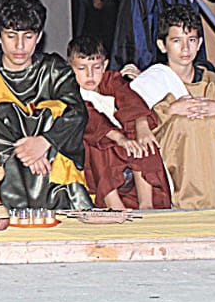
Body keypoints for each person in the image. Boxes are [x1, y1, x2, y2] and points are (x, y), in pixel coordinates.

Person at [0, 0, 91, 210]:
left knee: (55, 112)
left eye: (28, 36)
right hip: (3, 163)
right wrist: (29, 151)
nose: (20, 46)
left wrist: (45, 141)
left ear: (38, 37)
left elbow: (77, 113)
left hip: (49, 159)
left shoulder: (54, 70)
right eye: (11, 36)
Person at [129, 4, 215, 210]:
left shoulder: (209, 80)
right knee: (187, 124)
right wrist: (170, 110)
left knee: (206, 123)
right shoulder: (152, 80)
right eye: (176, 41)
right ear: (162, 45)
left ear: (199, 44)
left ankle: (213, 201)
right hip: (170, 151)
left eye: (191, 40)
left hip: (210, 155)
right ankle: (187, 201)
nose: (185, 48)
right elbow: (139, 121)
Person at [67, 35, 169, 210]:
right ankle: (114, 205)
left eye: (96, 67)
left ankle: (147, 204)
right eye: (82, 68)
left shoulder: (111, 81)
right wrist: (119, 138)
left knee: (141, 136)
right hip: (94, 150)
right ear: (71, 68)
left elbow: (130, 100)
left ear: (105, 65)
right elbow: (89, 118)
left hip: (124, 147)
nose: (90, 75)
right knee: (99, 144)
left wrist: (142, 126)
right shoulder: (70, 91)